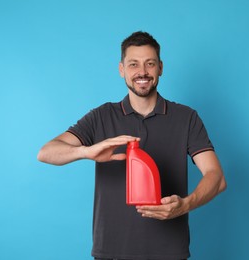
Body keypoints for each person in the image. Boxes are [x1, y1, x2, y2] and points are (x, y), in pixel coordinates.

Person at [38, 31, 226, 260]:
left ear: (160, 68)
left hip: (169, 254)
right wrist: (86, 152)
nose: (142, 72)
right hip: (111, 253)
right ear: (121, 70)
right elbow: (46, 153)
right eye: (133, 64)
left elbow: (216, 176)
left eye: (150, 63)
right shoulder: (101, 116)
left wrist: (184, 205)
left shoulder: (186, 117)